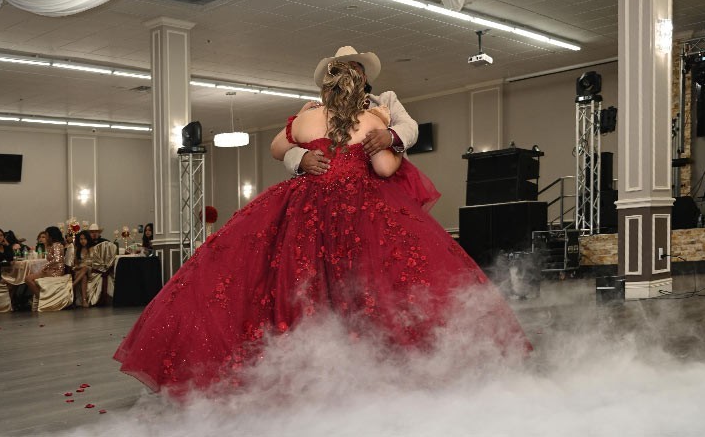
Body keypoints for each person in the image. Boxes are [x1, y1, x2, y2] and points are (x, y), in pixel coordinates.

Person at [115, 60, 530, 397]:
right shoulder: (373, 117)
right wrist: (387, 148)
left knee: (293, 281)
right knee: (373, 283)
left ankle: (299, 366)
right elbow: (384, 167)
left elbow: (279, 144)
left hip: (304, 208)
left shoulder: (307, 117)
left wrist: (304, 153)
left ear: (324, 89)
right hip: (365, 211)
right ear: (359, 83)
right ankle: (364, 362)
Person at [280, 46, 440, 211]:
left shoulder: (386, 100)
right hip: (336, 197)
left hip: (388, 191)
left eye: (353, 71)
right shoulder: (318, 114)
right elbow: (287, 146)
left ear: (363, 77)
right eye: (343, 72)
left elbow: (410, 127)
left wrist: (390, 136)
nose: (348, 77)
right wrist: (301, 159)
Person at [24, 226, 66, 301]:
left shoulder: (56, 245)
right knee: (30, 277)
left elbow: (57, 259)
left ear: (51, 236)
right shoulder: (55, 245)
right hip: (52, 269)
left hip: (56, 271)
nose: (45, 237)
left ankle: (42, 299)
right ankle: (41, 297)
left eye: (46, 235)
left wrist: (46, 266)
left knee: (28, 279)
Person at [71, 231, 93, 307]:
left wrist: (81, 266)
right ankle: (84, 301)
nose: (83, 241)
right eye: (81, 239)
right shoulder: (77, 249)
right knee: (84, 277)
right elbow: (75, 263)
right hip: (80, 270)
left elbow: (92, 262)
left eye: (84, 239)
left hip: (90, 269)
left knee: (85, 267)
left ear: (88, 239)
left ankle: (73, 284)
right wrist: (77, 266)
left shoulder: (91, 248)